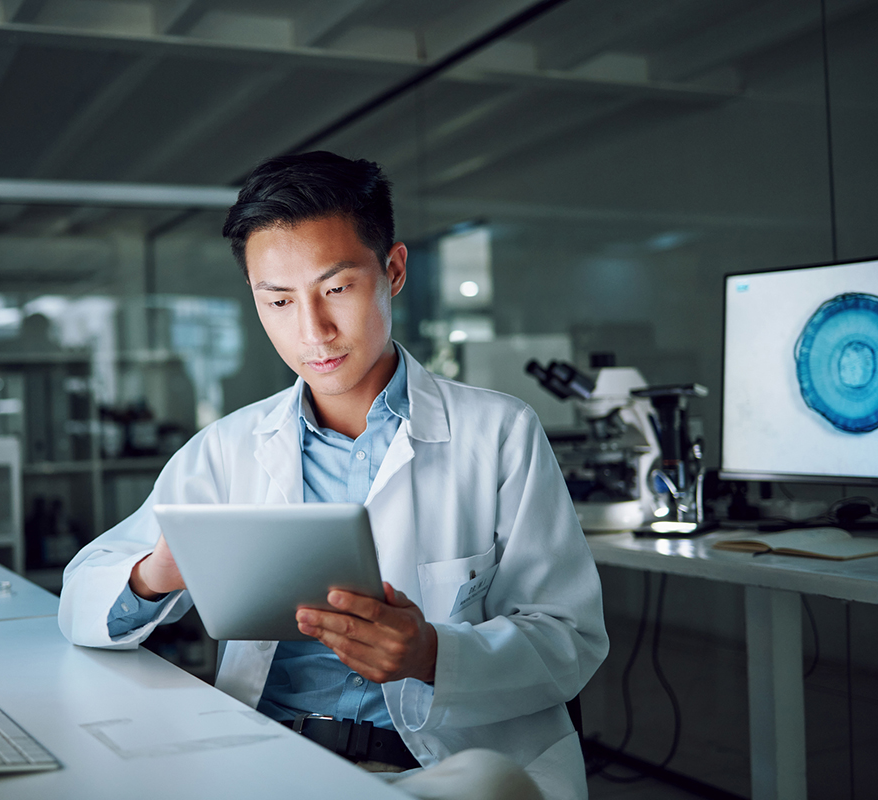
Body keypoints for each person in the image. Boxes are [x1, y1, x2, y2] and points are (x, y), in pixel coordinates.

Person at [58, 151, 608, 799]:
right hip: (272, 759)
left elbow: (569, 638)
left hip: (442, 763)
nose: (312, 331)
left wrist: (433, 654)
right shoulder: (228, 450)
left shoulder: (499, 434)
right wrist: (157, 574)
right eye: (280, 301)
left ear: (393, 270)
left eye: (337, 289)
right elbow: (80, 600)